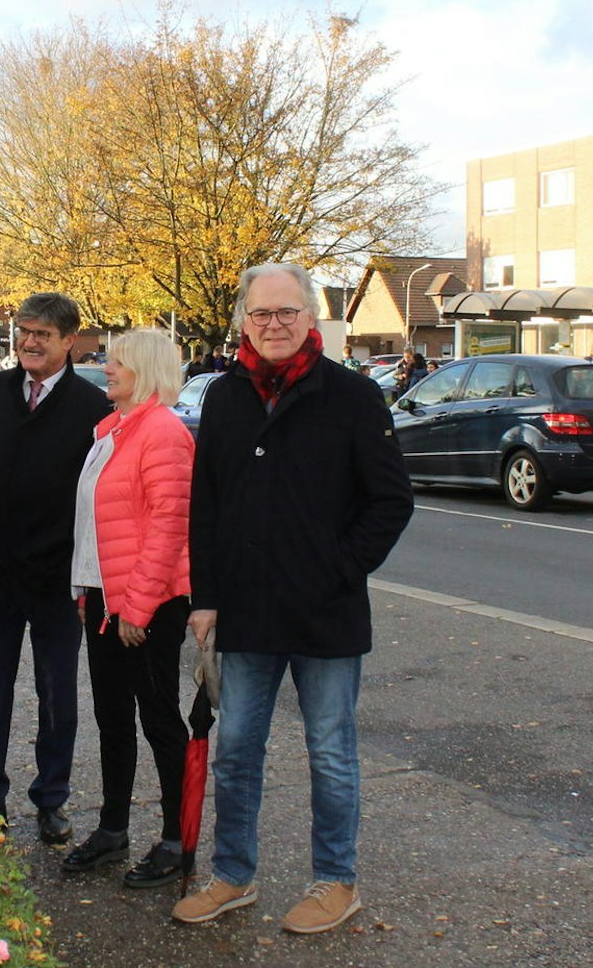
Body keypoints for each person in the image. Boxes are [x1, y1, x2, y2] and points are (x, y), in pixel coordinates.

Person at [172, 262, 413, 935]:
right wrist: (205, 596)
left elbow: (391, 501)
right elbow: (208, 505)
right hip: (246, 611)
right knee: (237, 750)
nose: (273, 325)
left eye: (286, 312)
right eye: (260, 314)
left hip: (325, 611)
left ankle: (336, 882)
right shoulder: (225, 397)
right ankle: (233, 876)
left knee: (331, 753)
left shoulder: (353, 397)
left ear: (311, 317)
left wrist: (338, 568)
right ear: (244, 321)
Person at [0, 292, 111, 843]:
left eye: (42, 334)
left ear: (69, 341)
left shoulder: (92, 409)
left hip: (57, 578)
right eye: (23, 331)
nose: (28, 342)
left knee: (57, 697)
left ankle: (52, 800)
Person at [61, 328, 193, 887]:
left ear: (144, 370)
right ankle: (113, 830)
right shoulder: (113, 431)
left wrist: (137, 607)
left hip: (149, 603)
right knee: (112, 717)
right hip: (106, 598)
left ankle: (176, 842)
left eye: (116, 362)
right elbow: (97, 525)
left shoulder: (162, 433)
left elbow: (169, 526)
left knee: (160, 721)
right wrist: (83, 590)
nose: (105, 368)